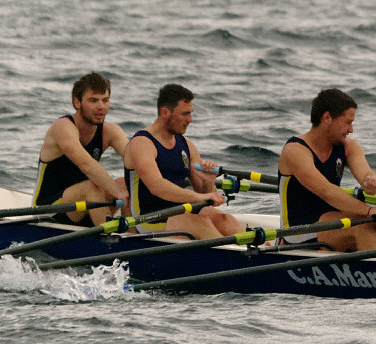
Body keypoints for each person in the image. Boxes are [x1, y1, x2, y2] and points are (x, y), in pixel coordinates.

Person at [277, 88, 376, 251]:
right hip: (299, 230)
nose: (351, 129)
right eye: (348, 122)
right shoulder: (295, 151)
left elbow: (365, 175)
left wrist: (371, 182)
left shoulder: (348, 147)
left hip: (333, 220)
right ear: (327, 118)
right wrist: (369, 210)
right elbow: (327, 191)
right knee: (360, 227)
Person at [123, 84, 241, 239]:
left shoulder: (187, 145)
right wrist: (200, 198)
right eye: (185, 114)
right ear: (165, 112)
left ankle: (256, 248)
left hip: (181, 212)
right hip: (149, 220)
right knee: (200, 222)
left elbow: (205, 195)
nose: (190, 119)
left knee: (225, 219)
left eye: (191, 113)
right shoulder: (142, 143)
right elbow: (157, 187)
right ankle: (234, 252)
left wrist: (208, 181)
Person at [32, 72, 130, 225]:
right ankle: (107, 236)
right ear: (77, 102)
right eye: (93, 100)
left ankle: (131, 234)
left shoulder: (111, 131)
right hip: (49, 208)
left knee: (126, 183)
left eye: (105, 100)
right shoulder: (63, 127)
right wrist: (116, 192)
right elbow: (86, 165)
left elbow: (136, 160)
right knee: (93, 187)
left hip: (85, 205)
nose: (101, 106)